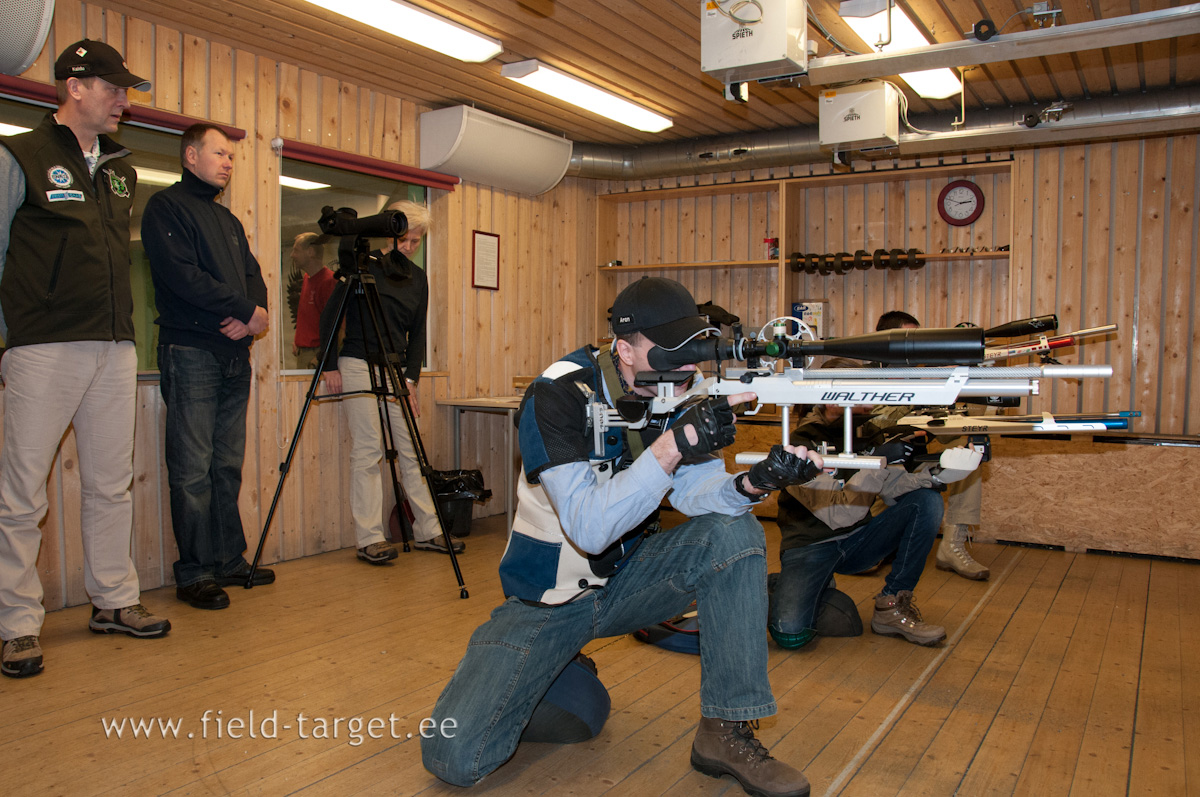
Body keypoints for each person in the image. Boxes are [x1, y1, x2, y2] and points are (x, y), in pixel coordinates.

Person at [423, 277, 824, 797]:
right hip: (549, 596)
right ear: (624, 348)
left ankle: (725, 731)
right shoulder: (557, 394)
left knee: (734, 533)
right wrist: (671, 446)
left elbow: (699, 496)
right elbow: (588, 529)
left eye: (693, 350)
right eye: (671, 350)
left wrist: (753, 483)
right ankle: (555, 664)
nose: (688, 367)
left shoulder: (679, 390)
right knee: (455, 755)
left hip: (630, 578)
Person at [0, 40, 171, 679]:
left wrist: (125, 337)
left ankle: (114, 600)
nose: (124, 100)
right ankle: (15, 624)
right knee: (21, 495)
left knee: (110, 483)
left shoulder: (122, 169)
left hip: (114, 345)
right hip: (43, 344)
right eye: (114, 88)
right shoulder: (19, 155)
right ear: (76, 86)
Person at [141, 123, 272, 611]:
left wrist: (254, 315)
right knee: (192, 470)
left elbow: (254, 279)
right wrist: (244, 311)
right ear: (190, 155)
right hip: (191, 353)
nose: (228, 163)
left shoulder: (229, 222)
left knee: (225, 467)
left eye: (232, 157)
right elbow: (183, 278)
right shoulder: (166, 208)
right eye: (220, 153)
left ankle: (226, 559)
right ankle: (194, 572)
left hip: (235, 356)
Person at [768, 361, 982, 650]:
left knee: (926, 502)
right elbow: (839, 514)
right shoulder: (798, 444)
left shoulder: (867, 433)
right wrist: (879, 460)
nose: (870, 403)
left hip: (857, 541)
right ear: (831, 399)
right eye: (862, 393)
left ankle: (891, 606)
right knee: (791, 634)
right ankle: (779, 586)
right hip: (810, 547)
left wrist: (940, 476)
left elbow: (894, 489)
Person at [319, 200, 459, 561]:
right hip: (357, 362)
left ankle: (429, 529)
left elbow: (417, 334)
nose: (409, 247)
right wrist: (329, 364)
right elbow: (330, 316)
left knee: (411, 449)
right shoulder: (361, 268)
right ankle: (370, 538)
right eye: (404, 239)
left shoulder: (417, 277)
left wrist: (411, 379)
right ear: (387, 233)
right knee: (368, 450)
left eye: (416, 241)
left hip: (396, 368)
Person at [870, 311, 989, 580]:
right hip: (876, 472)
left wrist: (969, 381)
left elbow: (948, 432)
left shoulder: (927, 372)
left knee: (968, 451)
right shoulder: (862, 374)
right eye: (908, 339)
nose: (915, 347)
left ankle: (952, 545)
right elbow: (874, 426)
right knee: (867, 549)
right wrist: (916, 399)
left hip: (915, 463)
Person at [290, 232, 335, 369]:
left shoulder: (329, 281)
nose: (292, 255)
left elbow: (335, 324)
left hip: (316, 354)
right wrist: (298, 339)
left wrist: (319, 356)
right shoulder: (307, 279)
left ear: (310, 252)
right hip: (303, 352)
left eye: (296, 250)